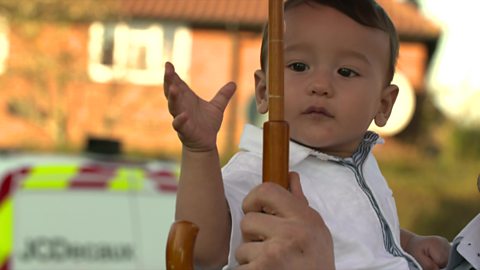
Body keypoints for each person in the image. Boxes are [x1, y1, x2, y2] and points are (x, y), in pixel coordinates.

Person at [164, 0, 451, 269]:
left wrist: (409, 243)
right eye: (299, 66)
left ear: (384, 104)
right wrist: (200, 151)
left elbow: (360, 230)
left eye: (346, 71)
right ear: (264, 93)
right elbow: (204, 248)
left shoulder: (361, 162)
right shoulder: (266, 170)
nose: (320, 85)